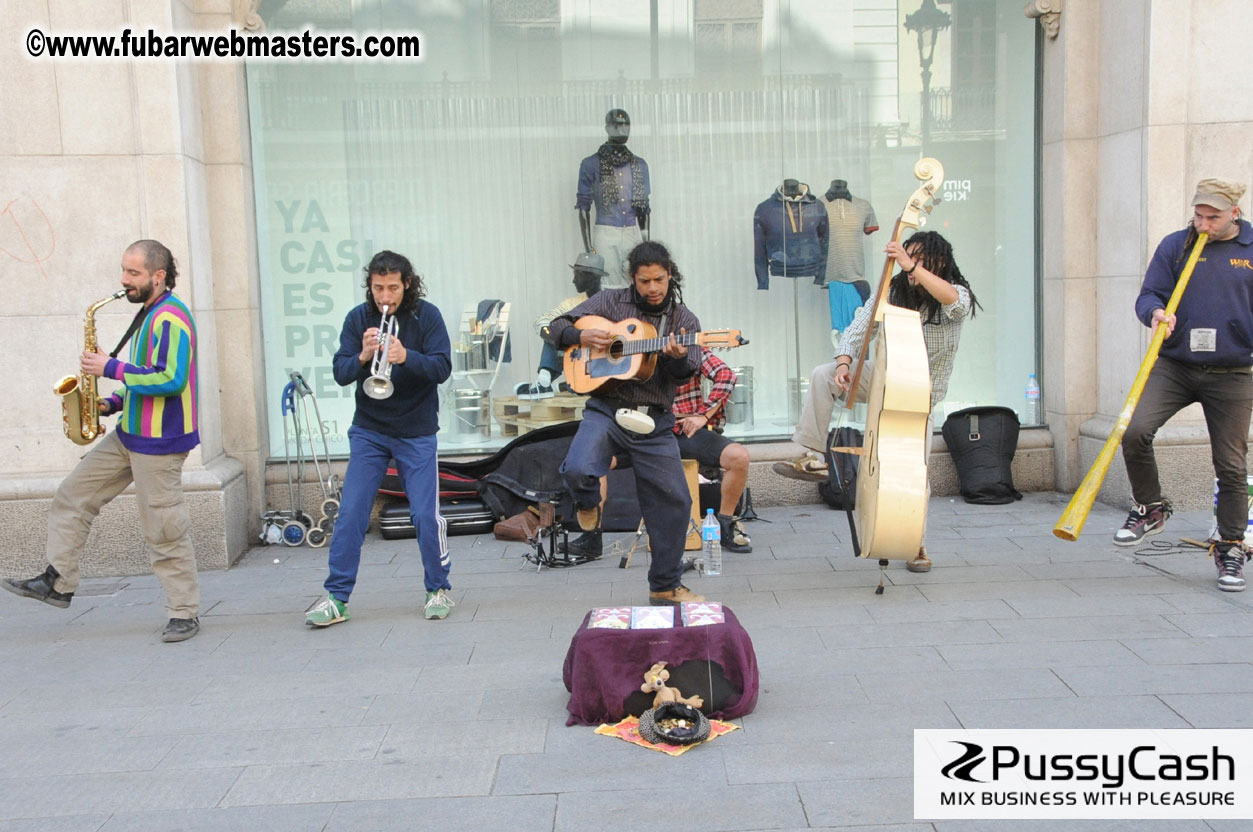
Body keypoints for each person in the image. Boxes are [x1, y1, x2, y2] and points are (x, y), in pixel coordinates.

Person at [3, 241, 203, 642]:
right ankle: (58, 582)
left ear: (157, 276)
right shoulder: (148, 314)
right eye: (124, 272)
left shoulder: (171, 319)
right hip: (130, 434)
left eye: (133, 273)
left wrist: (110, 367)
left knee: (163, 528)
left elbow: (169, 378)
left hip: (160, 443)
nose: (124, 281)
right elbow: (144, 376)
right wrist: (111, 402)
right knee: (72, 495)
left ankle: (184, 612)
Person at [773, 230, 978, 573]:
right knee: (823, 374)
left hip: (918, 397)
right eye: (909, 259)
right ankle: (813, 455)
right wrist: (844, 363)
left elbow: (952, 302)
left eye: (923, 260)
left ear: (942, 262)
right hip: (883, 378)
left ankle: (915, 543)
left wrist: (914, 266)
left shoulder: (957, 294)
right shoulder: (892, 291)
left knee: (916, 475)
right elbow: (855, 331)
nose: (912, 268)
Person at [548, 240, 705, 604]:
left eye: (659, 280)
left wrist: (676, 359)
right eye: (644, 280)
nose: (653, 288)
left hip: (655, 421)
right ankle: (588, 502)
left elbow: (688, 372)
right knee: (577, 469)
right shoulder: (608, 302)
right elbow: (553, 327)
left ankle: (665, 585)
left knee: (676, 501)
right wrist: (579, 335)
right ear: (632, 278)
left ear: (670, 276)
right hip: (607, 408)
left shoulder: (684, 321)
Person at [1116, 178, 1253, 592]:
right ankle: (1150, 508)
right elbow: (1147, 296)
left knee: (1231, 464)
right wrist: (1155, 313)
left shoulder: (1249, 249)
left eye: (1213, 217)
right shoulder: (1176, 245)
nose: (1204, 224)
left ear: (1235, 214)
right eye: (1198, 215)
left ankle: (1230, 548)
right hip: (1175, 364)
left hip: (1233, 371)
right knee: (1135, 429)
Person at [305, 251, 454, 627]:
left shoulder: (427, 316)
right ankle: (337, 598)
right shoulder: (359, 318)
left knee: (423, 514)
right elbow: (340, 373)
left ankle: (437, 588)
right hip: (370, 429)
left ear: (407, 284)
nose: (384, 297)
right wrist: (362, 355)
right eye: (377, 288)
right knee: (352, 512)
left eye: (392, 287)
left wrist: (407, 356)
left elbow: (441, 368)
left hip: (417, 430)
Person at [563, 347, 754, 560]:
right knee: (593, 464)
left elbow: (726, 375)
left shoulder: (691, 351)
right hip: (639, 432)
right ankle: (592, 537)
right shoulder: (632, 351)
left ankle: (726, 524)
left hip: (683, 431)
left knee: (738, 457)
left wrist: (703, 415)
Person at [515, 252, 607, 399]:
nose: (573, 281)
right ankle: (544, 382)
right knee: (556, 329)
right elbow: (542, 320)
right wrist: (559, 337)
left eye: (577, 275)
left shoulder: (611, 300)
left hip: (604, 360)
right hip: (578, 357)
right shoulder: (571, 303)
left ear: (591, 277)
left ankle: (559, 386)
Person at [576, 109, 651, 287]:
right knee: (607, 284)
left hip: (633, 231)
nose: (623, 130)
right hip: (605, 231)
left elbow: (644, 208)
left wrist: (647, 243)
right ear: (607, 128)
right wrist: (589, 248)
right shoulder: (591, 164)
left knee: (635, 283)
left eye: (626, 125)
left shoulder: (639, 165)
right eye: (617, 125)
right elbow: (583, 207)